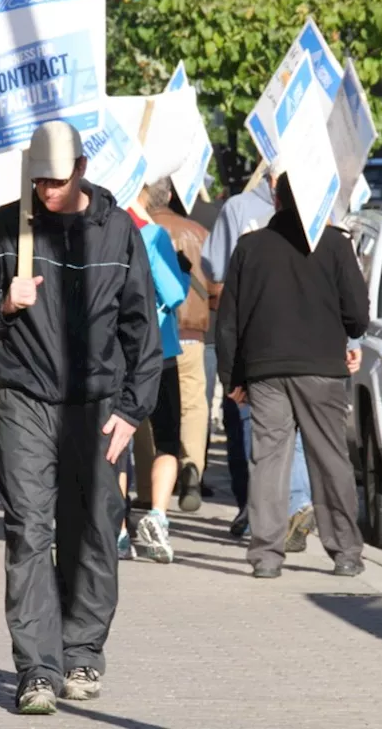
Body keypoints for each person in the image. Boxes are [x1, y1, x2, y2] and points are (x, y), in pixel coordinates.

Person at [0, 120, 162, 714]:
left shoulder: (117, 231)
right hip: (24, 398)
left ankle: (82, 655)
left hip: (99, 406)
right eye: (37, 179)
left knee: (94, 528)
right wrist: (3, 302)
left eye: (56, 179)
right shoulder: (7, 228)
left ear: (81, 171)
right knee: (28, 529)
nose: (46, 190)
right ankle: (37, 670)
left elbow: (141, 327)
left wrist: (132, 409)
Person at [217, 173, 369, 579]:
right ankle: (345, 553)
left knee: (268, 460)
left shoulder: (249, 247)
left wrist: (231, 378)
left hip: (265, 371)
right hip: (321, 370)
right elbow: (358, 317)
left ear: (275, 198)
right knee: (330, 459)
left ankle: (266, 556)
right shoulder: (336, 244)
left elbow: (229, 320)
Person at [201, 168, 314, 548]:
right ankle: (296, 503)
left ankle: (262, 514)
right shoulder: (317, 216)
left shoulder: (238, 211)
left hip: (255, 340)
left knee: (258, 432)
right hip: (303, 338)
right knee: (294, 431)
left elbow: (213, 267)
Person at [126, 193, 189, 563]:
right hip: (158, 348)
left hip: (114, 352)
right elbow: (175, 293)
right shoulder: (152, 235)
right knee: (166, 440)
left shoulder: (97, 232)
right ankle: (157, 517)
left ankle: (117, 527)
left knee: (116, 442)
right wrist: (180, 269)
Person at [146, 177, 212, 511]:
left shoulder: (137, 229)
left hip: (155, 335)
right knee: (193, 406)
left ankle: (151, 484)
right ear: (171, 195)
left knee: (149, 411)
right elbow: (215, 281)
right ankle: (191, 468)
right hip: (192, 334)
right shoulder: (198, 231)